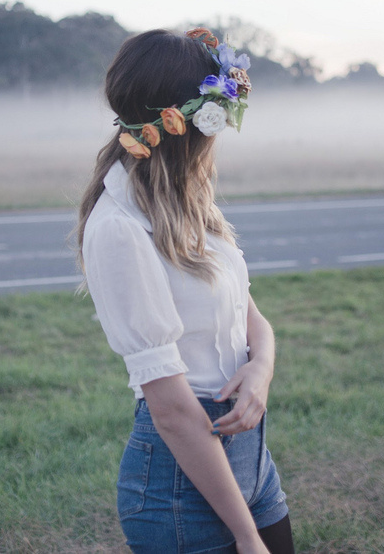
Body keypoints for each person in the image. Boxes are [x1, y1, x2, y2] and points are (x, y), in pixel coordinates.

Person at [78, 28, 295, 554]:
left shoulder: (192, 201)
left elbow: (251, 317)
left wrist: (260, 372)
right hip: (179, 490)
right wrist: (247, 538)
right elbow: (171, 410)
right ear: (191, 121)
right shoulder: (119, 228)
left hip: (252, 466)